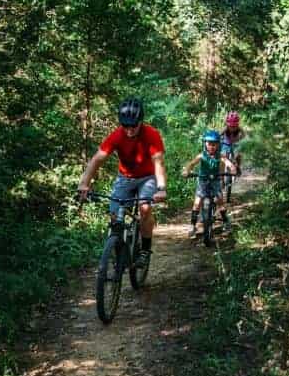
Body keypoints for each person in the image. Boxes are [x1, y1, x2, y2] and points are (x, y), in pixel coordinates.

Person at [77, 97, 167, 265]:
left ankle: (145, 250)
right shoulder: (117, 136)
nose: (129, 130)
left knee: (145, 208)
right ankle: (120, 252)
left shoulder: (151, 135)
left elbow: (159, 163)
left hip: (148, 177)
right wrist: (84, 183)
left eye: (133, 125)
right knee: (114, 214)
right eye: (125, 125)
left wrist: (161, 187)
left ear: (140, 121)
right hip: (125, 177)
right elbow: (97, 159)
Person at [182, 128, 233, 238]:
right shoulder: (201, 156)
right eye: (209, 144)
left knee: (220, 201)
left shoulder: (221, 156)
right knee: (197, 202)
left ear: (218, 145)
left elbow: (228, 163)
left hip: (215, 180)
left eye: (214, 144)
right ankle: (192, 225)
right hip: (203, 180)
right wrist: (187, 171)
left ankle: (225, 222)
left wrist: (232, 168)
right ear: (205, 144)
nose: (211, 146)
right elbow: (191, 164)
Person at [220, 110, 245, 175]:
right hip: (226, 143)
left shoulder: (239, 128)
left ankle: (238, 166)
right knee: (223, 157)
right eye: (231, 126)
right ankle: (221, 175)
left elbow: (244, 135)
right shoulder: (226, 128)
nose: (232, 128)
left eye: (234, 126)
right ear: (228, 125)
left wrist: (239, 139)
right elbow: (219, 135)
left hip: (235, 143)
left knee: (238, 155)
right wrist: (219, 140)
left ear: (237, 125)